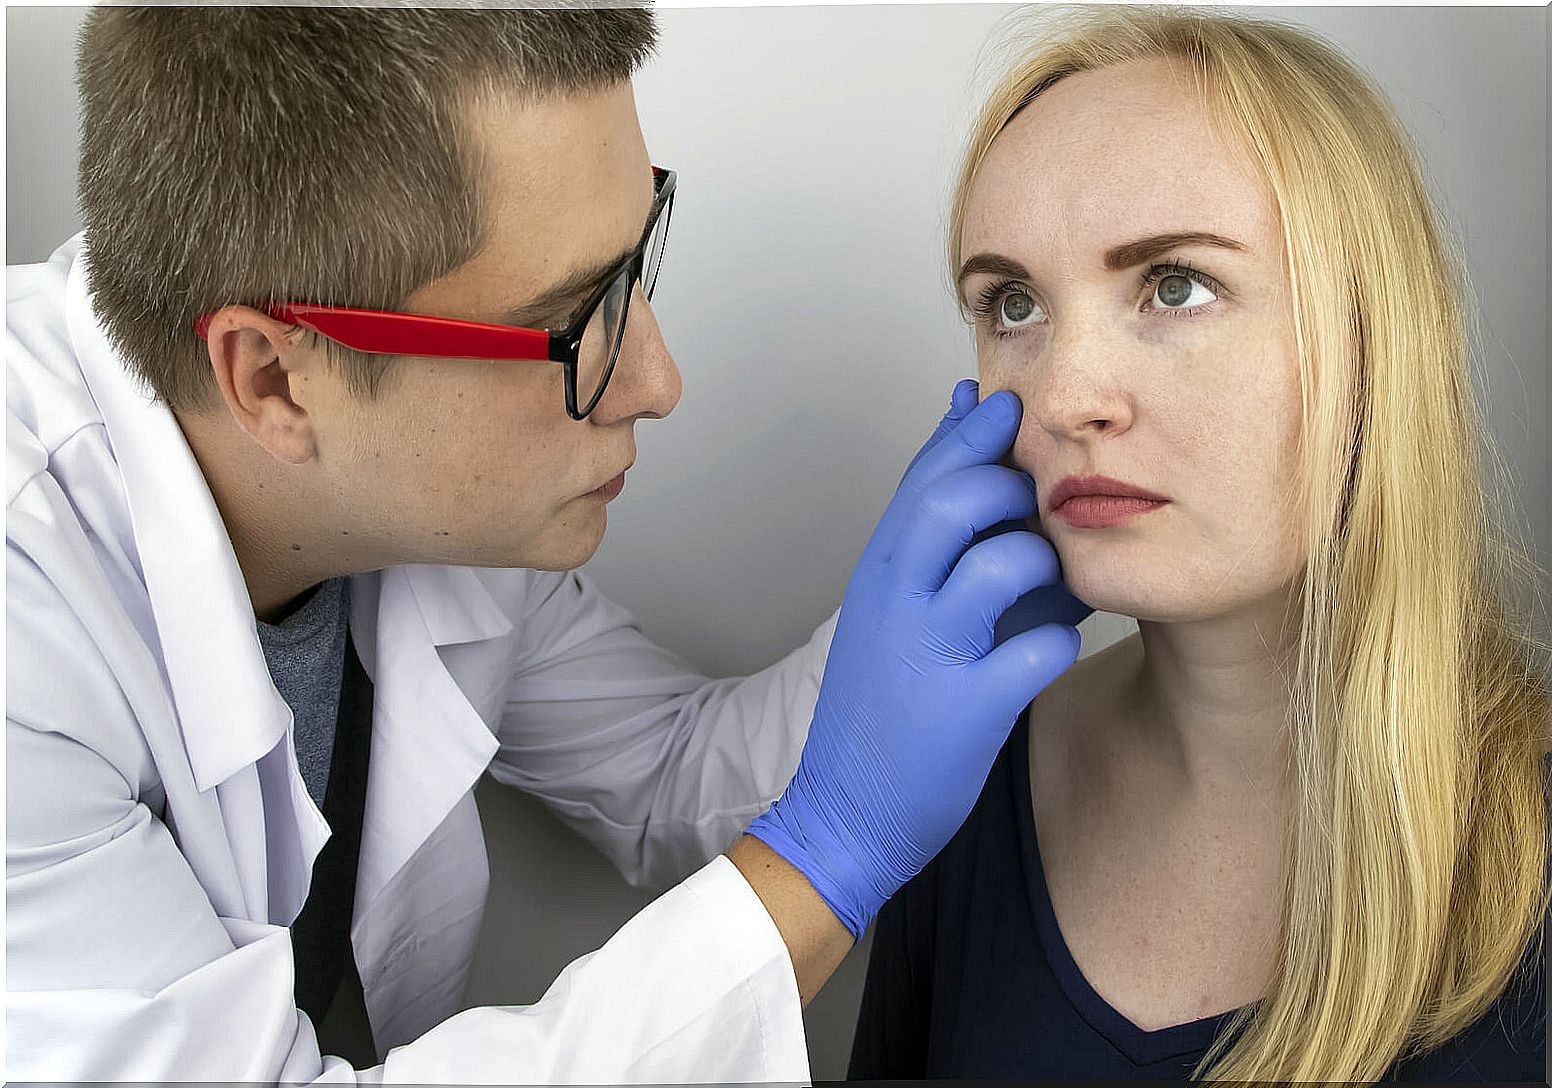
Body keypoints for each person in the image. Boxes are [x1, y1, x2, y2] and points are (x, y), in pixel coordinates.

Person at [5, 7, 1092, 1082]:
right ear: (275, 376)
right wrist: (828, 855)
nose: (657, 382)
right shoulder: (26, 613)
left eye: (635, 263)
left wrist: (939, 601)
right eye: (574, 321)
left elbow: (665, 772)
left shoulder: (416, 504)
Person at [849, 7, 1548, 1083]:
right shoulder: (966, 785)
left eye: (1175, 284)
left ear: (1375, 341)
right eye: (1013, 303)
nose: (1066, 396)